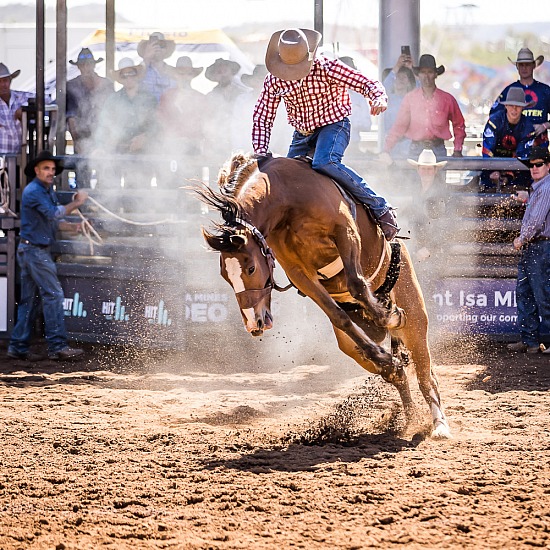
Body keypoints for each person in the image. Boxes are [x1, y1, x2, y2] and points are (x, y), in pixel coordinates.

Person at [252, 28, 398, 240]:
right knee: (285, 179)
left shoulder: (327, 67)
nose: (292, 75)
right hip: (302, 132)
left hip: (333, 124)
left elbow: (366, 83)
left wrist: (378, 98)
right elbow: (263, 117)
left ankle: (379, 207)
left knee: (324, 161)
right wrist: (261, 151)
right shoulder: (274, 80)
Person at [7, 151, 88, 361]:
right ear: (37, 170)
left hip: (29, 249)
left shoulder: (40, 190)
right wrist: (77, 204)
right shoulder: (35, 191)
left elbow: (51, 219)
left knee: (30, 300)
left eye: (52, 169)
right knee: (53, 295)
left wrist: (74, 228)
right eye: (46, 168)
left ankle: (18, 346)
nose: (51, 172)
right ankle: (57, 345)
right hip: (35, 251)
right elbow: (53, 214)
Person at [380, 54, 466, 161]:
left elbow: (459, 125)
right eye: (423, 72)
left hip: (437, 147)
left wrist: (457, 149)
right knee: (412, 177)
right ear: (419, 75)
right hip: (417, 147)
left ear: (435, 74)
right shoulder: (410, 98)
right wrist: (386, 149)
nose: (426, 76)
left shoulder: (447, 99)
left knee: (436, 176)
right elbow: (399, 126)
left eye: (430, 72)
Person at [507, 146, 550, 354]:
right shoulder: (539, 188)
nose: (534, 168)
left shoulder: (546, 188)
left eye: (539, 164)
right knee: (526, 293)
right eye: (532, 165)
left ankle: (543, 340)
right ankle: (530, 340)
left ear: (547, 166)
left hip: (540, 245)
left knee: (541, 295)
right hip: (535, 246)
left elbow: (536, 221)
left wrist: (522, 239)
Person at [94, 58, 158, 187]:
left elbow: (157, 123)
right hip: (117, 149)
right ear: (121, 78)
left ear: (137, 75)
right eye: (124, 75)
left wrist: (145, 137)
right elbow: (103, 124)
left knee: (139, 190)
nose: (128, 77)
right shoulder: (113, 99)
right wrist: (100, 146)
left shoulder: (149, 98)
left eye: (131, 73)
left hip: (143, 152)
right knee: (112, 188)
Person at [66, 48, 113, 186]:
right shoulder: (71, 86)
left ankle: (102, 205)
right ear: (79, 67)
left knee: (104, 174)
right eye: (83, 64)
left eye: (88, 64)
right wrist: (77, 141)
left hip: (103, 136)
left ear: (94, 65)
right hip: (82, 136)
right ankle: (83, 205)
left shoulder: (106, 85)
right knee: (82, 173)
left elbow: (112, 113)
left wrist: (108, 139)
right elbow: (71, 116)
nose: (86, 67)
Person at [481, 87, 538, 190]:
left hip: (517, 168)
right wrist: (492, 170)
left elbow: (523, 155)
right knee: (485, 184)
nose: (514, 109)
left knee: (523, 180)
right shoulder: (494, 121)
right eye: (511, 105)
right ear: (506, 106)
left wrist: (508, 174)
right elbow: (488, 149)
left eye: (518, 106)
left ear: (523, 108)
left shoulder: (528, 127)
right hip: (493, 162)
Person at [490, 48, 550, 144]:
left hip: (538, 147)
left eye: (527, 65)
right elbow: (494, 117)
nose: (524, 68)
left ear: (533, 66)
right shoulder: (509, 91)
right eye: (521, 65)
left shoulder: (545, 91)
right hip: (513, 146)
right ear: (517, 67)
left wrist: (544, 126)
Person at [406, 149, 448, 264]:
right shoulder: (415, 190)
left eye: (429, 169)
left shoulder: (441, 193)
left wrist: (430, 248)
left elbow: (444, 225)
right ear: (418, 170)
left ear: (435, 171)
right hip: (417, 244)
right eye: (423, 169)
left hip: (433, 248)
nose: (426, 172)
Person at [158, 56, 206, 156]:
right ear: (175, 75)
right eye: (181, 73)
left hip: (194, 146)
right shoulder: (167, 96)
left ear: (192, 76)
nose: (185, 77)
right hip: (172, 145)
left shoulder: (200, 97)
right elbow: (161, 120)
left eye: (188, 74)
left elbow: (204, 123)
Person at [382, 53, 417, 158]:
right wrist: (397, 66)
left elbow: (422, 89)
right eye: (398, 77)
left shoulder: (414, 98)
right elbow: (384, 86)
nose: (400, 80)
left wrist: (412, 70)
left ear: (408, 82)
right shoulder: (388, 98)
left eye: (404, 77)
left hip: (409, 144)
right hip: (391, 145)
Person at [338, 56, 373, 156]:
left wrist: (354, 123)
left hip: (354, 146)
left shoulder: (359, 95)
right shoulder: (328, 93)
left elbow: (367, 125)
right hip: (333, 145)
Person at [0, 62, 34, 154]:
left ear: (10, 81)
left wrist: (25, 109)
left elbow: (46, 99)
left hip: (19, 156)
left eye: (5, 80)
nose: (3, 84)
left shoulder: (20, 97)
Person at [137, 32, 177, 102]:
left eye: (162, 45)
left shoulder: (173, 72)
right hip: (146, 111)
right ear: (147, 48)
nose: (157, 48)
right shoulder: (140, 70)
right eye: (154, 45)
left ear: (166, 49)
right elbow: (133, 84)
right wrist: (146, 58)